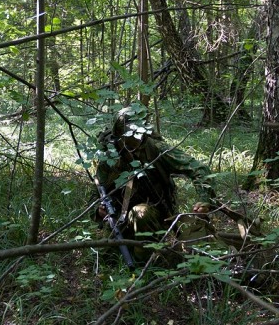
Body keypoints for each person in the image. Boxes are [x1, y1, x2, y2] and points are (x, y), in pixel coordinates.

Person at [93, 105, 217, 248]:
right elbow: (97, 189)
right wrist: (99, 209)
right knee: (108, 256)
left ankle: (149, 262)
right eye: (130, 133)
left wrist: (204, 201)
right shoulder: (110, 155)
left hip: (154, 212)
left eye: (137, 132)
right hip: (118, 214)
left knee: (141, 214)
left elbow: (199, 169)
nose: (135, 137)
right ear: (119, 133)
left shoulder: (156, 149)